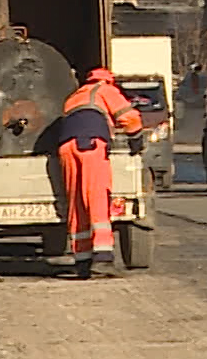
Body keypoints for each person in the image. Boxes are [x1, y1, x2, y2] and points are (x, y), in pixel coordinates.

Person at [57, 67, 145, 279]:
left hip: (66, 148)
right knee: (96, 197)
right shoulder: (105, 90)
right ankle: (103, 258)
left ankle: (82, 259)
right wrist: (136, 139)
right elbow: (129, 118)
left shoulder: (74, 97)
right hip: (89, 145)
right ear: (109, 80)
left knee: (77, 202)